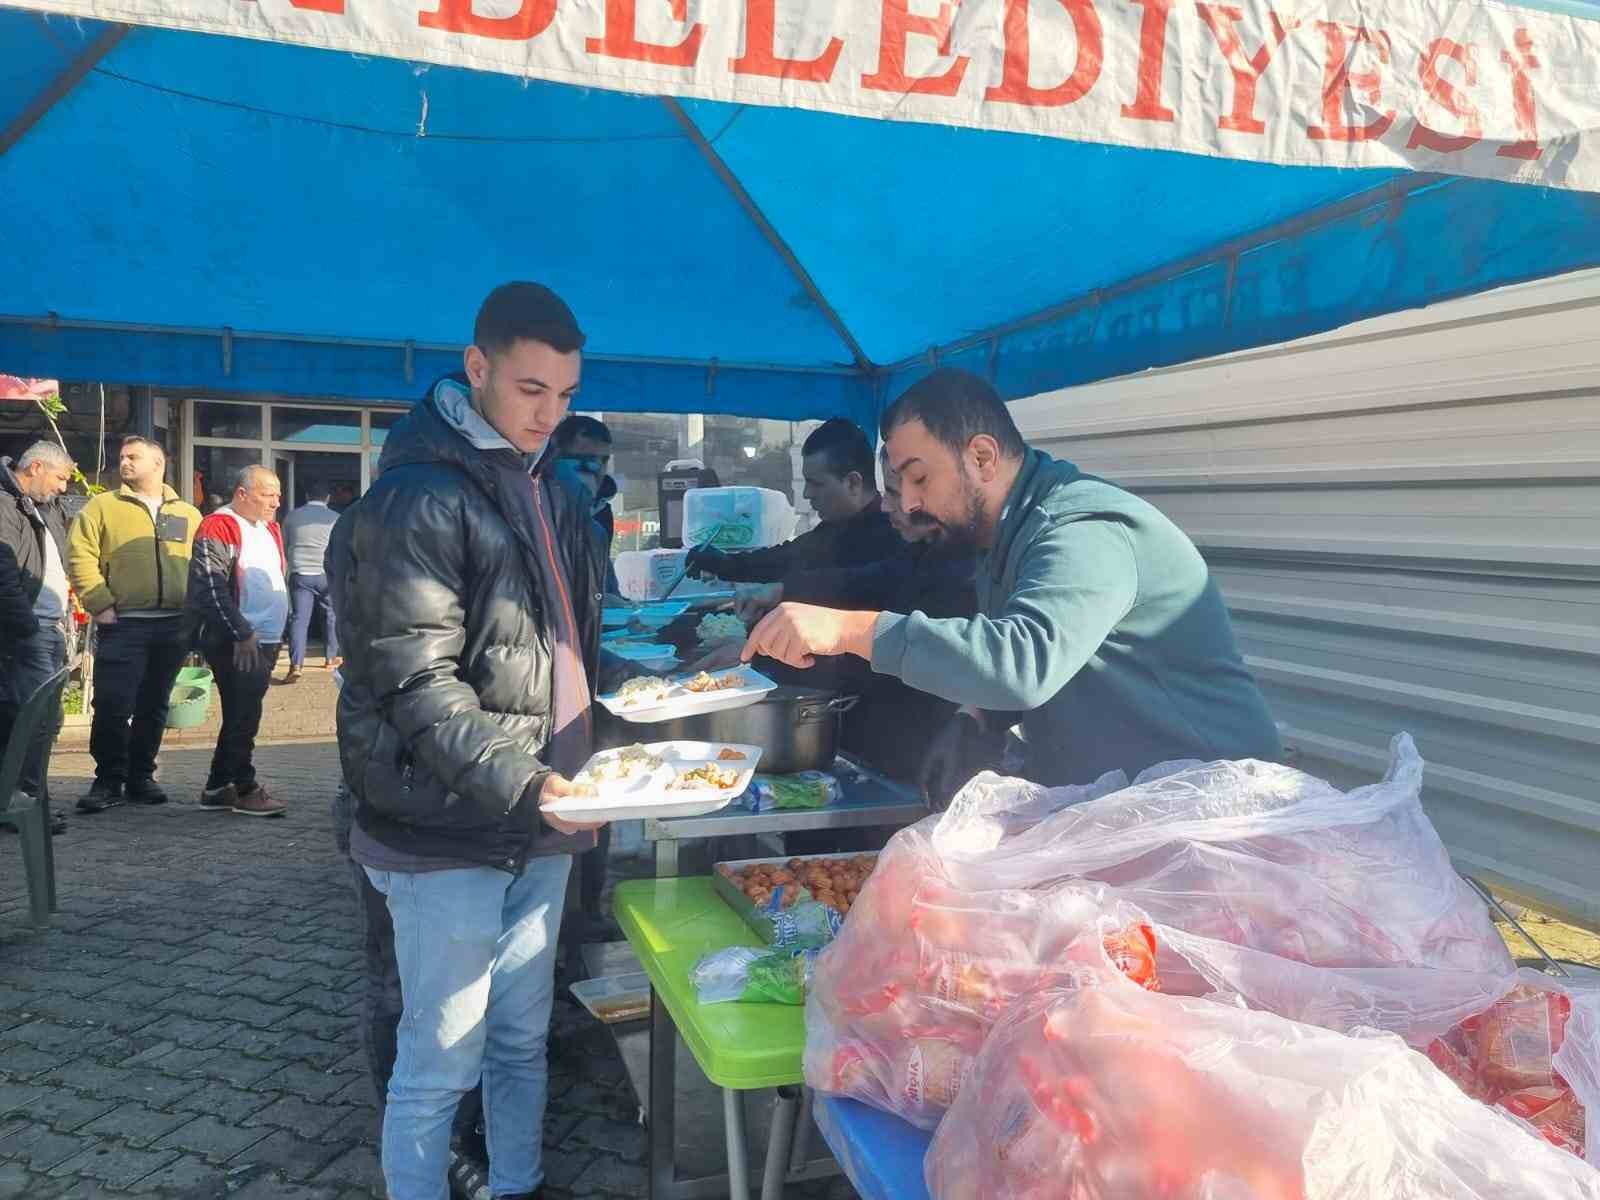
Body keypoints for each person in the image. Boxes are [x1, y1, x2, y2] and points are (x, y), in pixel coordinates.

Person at [325, 281, 609, 1200]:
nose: (549, 415)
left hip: (544, 816)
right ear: (477, 367)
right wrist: (527, 784)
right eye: (531, 390)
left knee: (523, 1040)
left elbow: (562, 642)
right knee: (440, 1063)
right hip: (444, 823)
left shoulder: (553, 488)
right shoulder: (417, 498)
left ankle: (517, 1185)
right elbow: (414, 680)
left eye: (565, 396)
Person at [742, 367, 1282, 805]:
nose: (906, 503)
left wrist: (847, 629)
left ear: (981, 457)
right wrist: (977, 720)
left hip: (1211, 811)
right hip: (1122, 808)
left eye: (919, 477)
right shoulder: (1000, 541)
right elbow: (1053, 653)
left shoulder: (1082, 530)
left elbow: (1025, 661)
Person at [727, 451, 977, 787]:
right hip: (878, 745)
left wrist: (761, 654)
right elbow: (860, 579)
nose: (886, 505)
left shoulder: (964, 574)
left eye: (892, 492)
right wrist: (781, 592)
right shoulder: (922, 550)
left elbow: (881, 663)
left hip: (922, 758)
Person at [66, 435, 202, 814]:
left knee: (154, 704)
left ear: (158, 464)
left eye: (133, 457)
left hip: (173, 625)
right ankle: (108, 778)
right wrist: (100, 604)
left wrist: (195, 612)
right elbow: (79, 555)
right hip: (124, 623)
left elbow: (201, 564)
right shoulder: (102, 506)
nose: (124, 462)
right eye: (122, 456)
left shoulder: (188, 513)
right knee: (112, 702)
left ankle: (141, 776)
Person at [186, 465, 290, 818]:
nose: (276, 501)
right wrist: (241, 632)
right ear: (242, 494)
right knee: (245, 715)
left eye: (277, 494)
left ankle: (217, 787)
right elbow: (210, 586)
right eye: (268, 494)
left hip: (267, 637)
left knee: (240, 713)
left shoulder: (270, 527)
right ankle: (244, 786)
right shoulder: (218, 525)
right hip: (237, 640)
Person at [684, 417, 900, 582]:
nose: (807, 494)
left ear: (853, 483)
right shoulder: (834, 529)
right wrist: (724, 563)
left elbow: (840, 583)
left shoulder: (891, 538)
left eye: (817, 483)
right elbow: (785, 558)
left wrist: (783, 592)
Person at [0, 441, 76, 835]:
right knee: (40, 718)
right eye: (60, 477)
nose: (64, 487)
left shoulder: (37, 506)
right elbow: (4, 576)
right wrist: (28, 627)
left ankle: (17, 800)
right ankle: (26, 804)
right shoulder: (5, 506)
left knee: (24, 718)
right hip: (28, 631)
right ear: (35, 467)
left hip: (47, 628)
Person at [280, 481, 341, 682]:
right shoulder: (335, 518)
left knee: (299, 619)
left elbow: (285, 545)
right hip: (326, 574)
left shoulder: (292, 516)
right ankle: (330, 658)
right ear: (328, 498)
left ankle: (296, 664)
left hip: (300, 573)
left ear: (307, 496)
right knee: (331, 615)